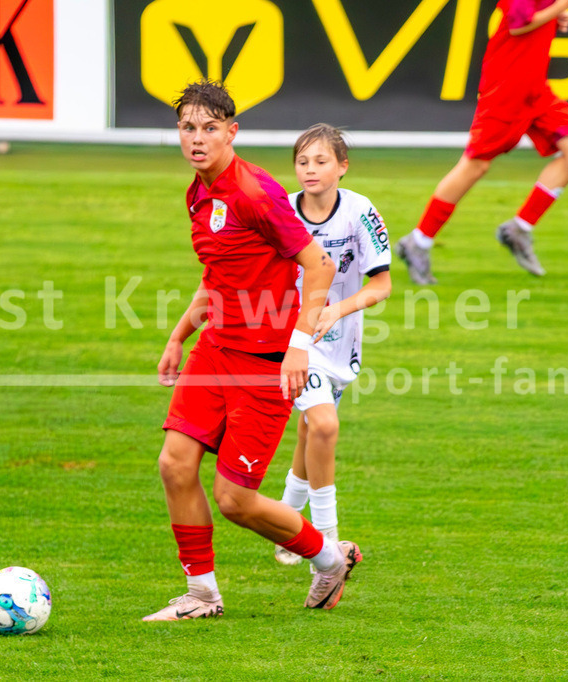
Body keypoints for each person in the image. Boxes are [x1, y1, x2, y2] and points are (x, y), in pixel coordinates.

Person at [143, 81, 359, 622]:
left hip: (264, 364)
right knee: (174, 464)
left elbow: (320, 266)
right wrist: (179, 335)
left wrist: (299, 347)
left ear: (231, 132)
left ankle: (330, 559)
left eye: (209, 128)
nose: (197, 139)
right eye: (188, 128)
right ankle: (201, 595)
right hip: (215, 349)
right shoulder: (198, 193)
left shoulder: (255, 193)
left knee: (234, 500)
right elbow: (217, 275)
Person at [397, 0, 568, 285]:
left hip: (535, 88)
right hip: (506, 89)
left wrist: (556, 13)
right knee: (475, 165)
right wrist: (561, 5)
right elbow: (519, 24)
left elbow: (529, 14)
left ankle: (519, 228)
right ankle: (418, 241)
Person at [268, 125, 392, 568]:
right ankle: (326, 541)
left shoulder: (360, 211)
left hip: (341, 343)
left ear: (342, 167)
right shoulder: (281, 211)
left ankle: (285, 524)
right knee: (323, 425)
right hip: (294, 339)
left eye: (321, 161)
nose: (310, 169)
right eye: (302, 161)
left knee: (310, 430)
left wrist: (336, 311)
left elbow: (382, 284)